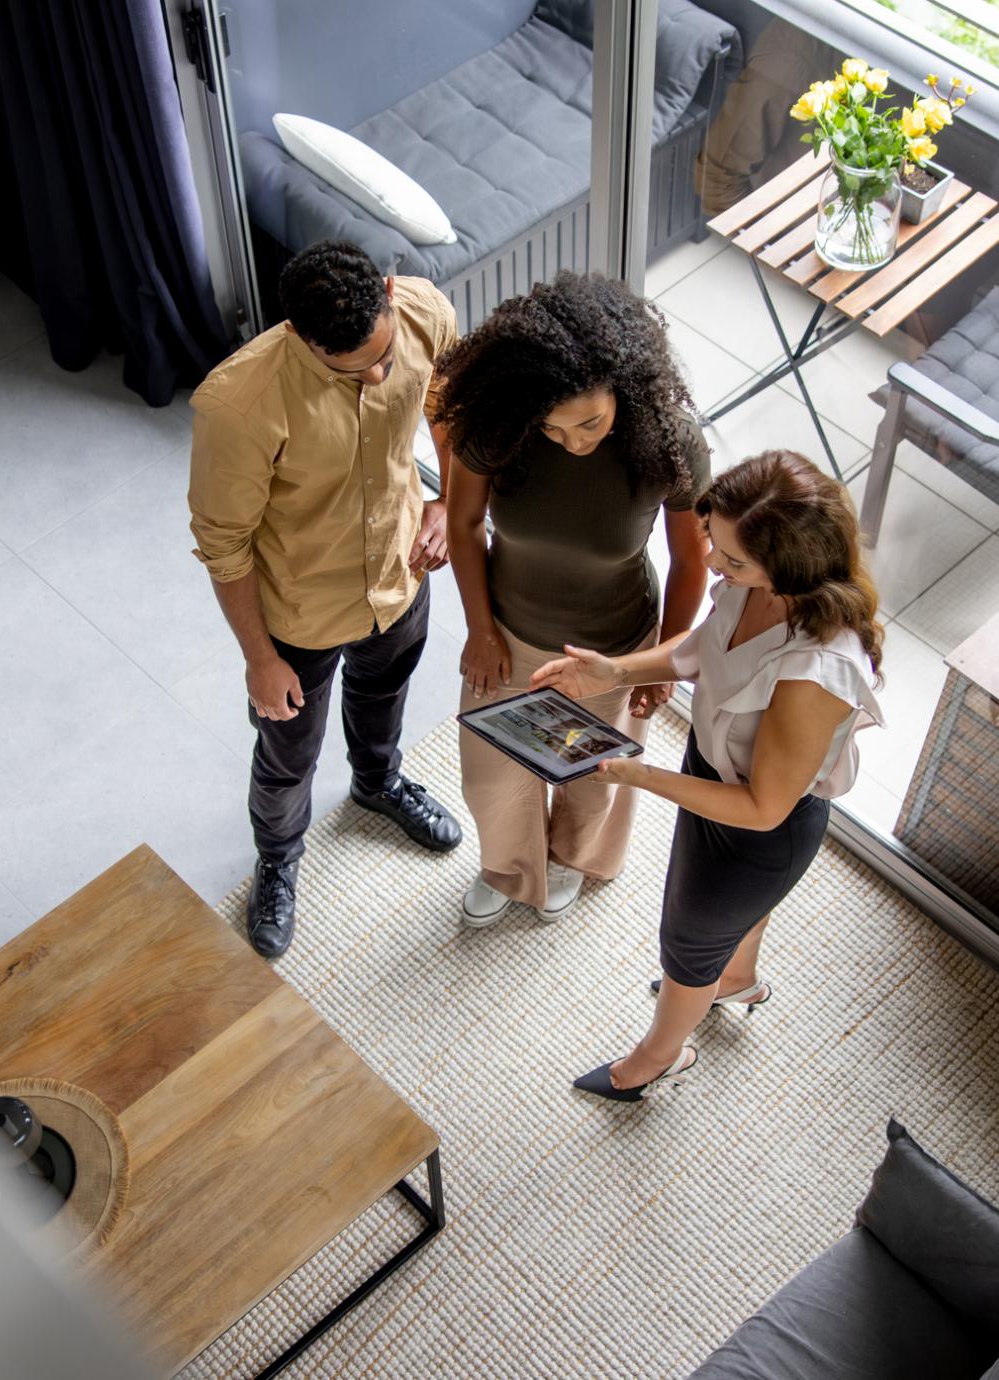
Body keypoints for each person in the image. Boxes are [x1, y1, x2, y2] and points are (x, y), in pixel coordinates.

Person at [530, 450, 884, 1101]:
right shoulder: (754, 585)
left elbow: (762, 808)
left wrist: (641, 776)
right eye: (715, 548)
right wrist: (618, 670)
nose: (715, 567)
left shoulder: (817, 669)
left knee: (687, 940)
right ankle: (737, 979)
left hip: (759, 827)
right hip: (711, 773)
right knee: (722, 930)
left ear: (792, 563)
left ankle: (658, 1057)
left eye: (732, 560)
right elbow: (700, 650)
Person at [189, 240, 464, 959]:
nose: (380, 374)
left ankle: (378, 784)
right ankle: (278, 859)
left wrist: (445, 502)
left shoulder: (423, 310)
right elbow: (224, 544)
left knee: (385, 696)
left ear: (386, 288)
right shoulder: (239, 406)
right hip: (300, 615)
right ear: (303, 339)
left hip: (400, 578)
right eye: (357, 369)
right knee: (288, 758)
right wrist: (257, 659)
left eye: (385, 355)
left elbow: (450, 399)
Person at [431, 272, 711, 927]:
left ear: (625, 385)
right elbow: (465, 523)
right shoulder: (498, 425)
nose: (575, 441)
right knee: (493, 774)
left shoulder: (670, 443)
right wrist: (480, 629)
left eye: (588, 423)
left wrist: (664, 659)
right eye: (555, 431)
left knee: (589, 773)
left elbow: (693, 558)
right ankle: (507, 867)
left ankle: (573, 859)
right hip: (509, 627)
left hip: (614, 644)